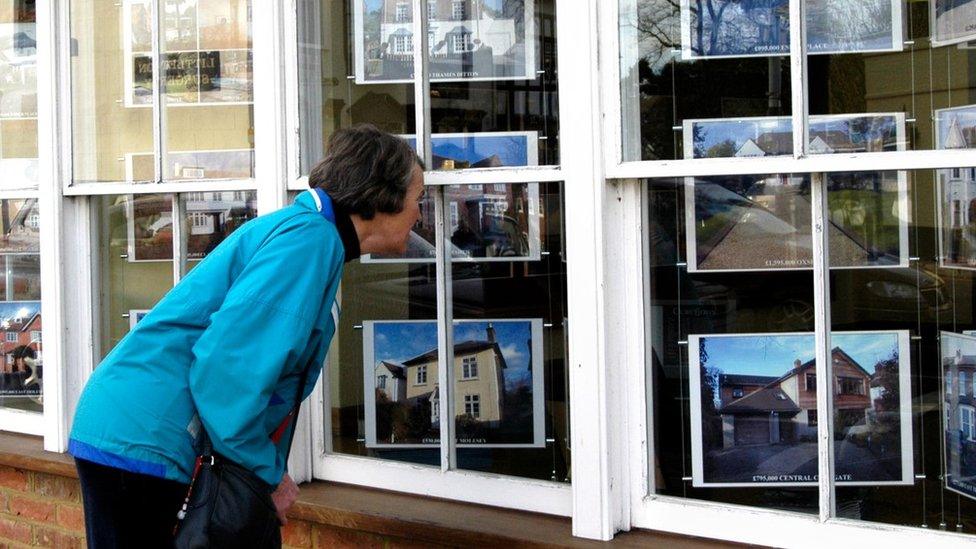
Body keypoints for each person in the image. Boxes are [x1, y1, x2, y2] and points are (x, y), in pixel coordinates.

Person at [68, 124, 425, 548]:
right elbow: (227, 370)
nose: (420, 213)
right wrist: (266, 474)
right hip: (146, 438)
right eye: (417, 199)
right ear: (381, 195)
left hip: (134, 429)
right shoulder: (309, 241)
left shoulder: (308, 234)